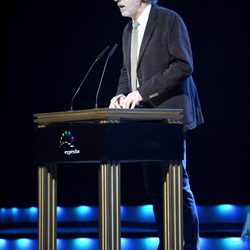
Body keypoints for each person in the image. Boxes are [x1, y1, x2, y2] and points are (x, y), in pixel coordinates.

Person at [109, 0, 204, 249]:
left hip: (170, 117)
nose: (117, 0)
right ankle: (167, 242)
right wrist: (121, 94)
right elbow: (126, 70)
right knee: (154, 188)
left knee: (177, 186)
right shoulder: (128, 29)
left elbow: (184, 65)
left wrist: (140, 93)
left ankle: (187, 245)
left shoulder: (169, 19)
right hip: (144, 120)